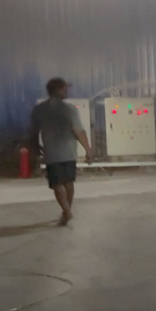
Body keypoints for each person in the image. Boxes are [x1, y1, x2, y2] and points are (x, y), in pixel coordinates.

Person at [29, 78, 93, 225]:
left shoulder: (39, 110)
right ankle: (67, 212)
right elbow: (79, 131)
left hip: (51, 154)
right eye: (65, 88)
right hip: (69, 152)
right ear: (59, 89)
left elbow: (32, 133)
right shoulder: (70, 109)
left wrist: (35, 150)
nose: (67, 91)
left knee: (57, 184)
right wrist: (88, 150)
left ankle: (67, 213)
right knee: (69, 183)